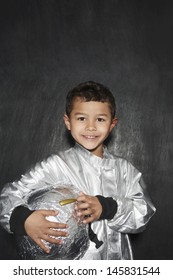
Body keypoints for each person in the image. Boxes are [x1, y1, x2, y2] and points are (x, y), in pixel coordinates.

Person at [0, 81, 156, 259]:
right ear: (68, 121)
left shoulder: (125, 170)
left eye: (100, 119)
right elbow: (9, 196)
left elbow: (142, 213)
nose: (91, 127)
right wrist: (24, 219)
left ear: (112, 124)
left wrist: (108, 207)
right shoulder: (55, 165)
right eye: (82, 118)